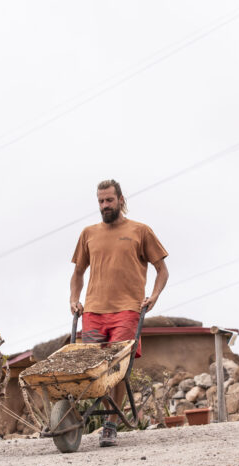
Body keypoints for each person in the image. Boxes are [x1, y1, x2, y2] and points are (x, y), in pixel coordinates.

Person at [70, 179, 169, 447]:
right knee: (96, 369)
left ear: (121, 200)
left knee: (118, 368)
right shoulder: (88, 233)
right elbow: (77, 273)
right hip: (93, 311)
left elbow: (162, 270)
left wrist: (154, 296)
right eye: (101, 201)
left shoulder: (140, 231)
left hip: (127, 310)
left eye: (109, 200)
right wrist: (74, 299)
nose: (105, 205)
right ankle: (107, 415)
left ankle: (111, 424)